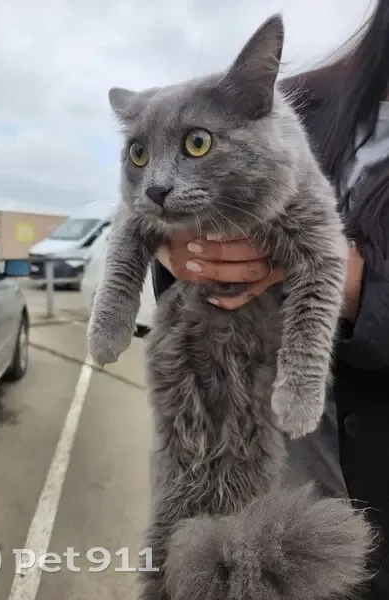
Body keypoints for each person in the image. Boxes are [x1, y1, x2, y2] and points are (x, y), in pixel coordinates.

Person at [151, 1, 389, 598]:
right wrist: (180, 248)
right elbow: (164, 200)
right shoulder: (295, 101)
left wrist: (342, 276)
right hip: (231, 456)